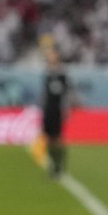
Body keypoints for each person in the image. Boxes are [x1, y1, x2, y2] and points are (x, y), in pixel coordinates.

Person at [41, 45, 73, 178]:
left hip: (58, 110)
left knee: (58, 138)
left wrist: (67, 109)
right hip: (48, 110)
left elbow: (67, 93)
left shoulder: (62, 74)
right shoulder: (47, 73)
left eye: (52, 54)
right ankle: (52, 164)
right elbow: (45, 93)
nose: (50, 57)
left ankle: (59, 165)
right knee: (48, 139)